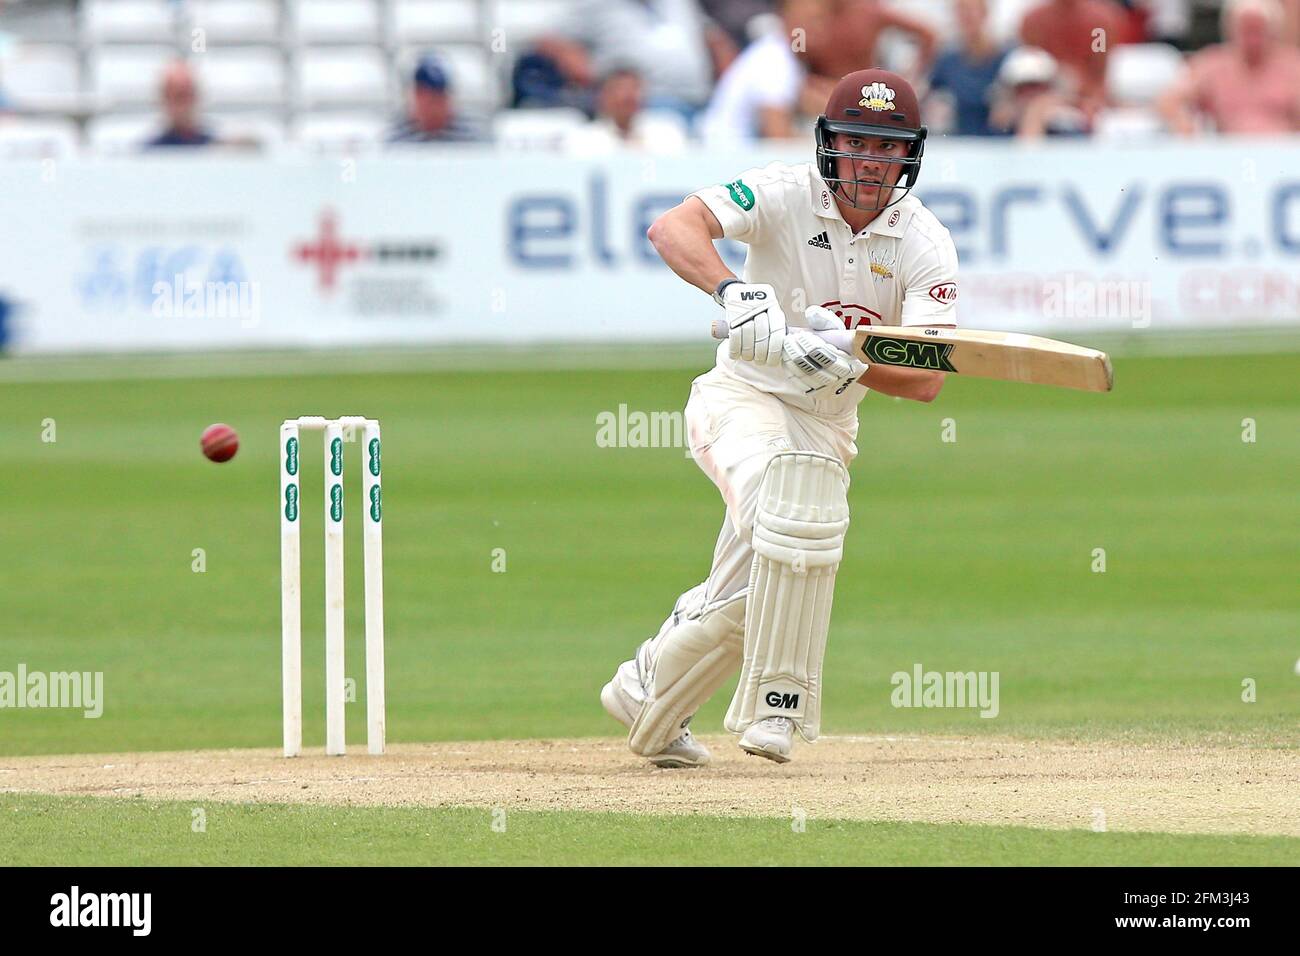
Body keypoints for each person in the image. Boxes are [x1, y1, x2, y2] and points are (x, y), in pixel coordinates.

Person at [601, 69, 957, 767]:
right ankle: (777, 708)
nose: (868, 162)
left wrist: (853, 358)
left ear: (909, 155)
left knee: (750, 592)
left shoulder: (924, 241)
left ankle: (650, 687)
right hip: (741, 399)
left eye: (886, 148)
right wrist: (734, 292)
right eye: (856, 143)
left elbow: (925, 380)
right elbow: (673, 227)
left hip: (826, 428)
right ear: (829, 145)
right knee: (793, 526)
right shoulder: (782, 192)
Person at [534, 0, 736, 120]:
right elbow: (549, 39)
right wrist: (593, 74)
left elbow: (712, 37)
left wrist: (731, 88)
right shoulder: (595, 5)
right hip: (646, 104)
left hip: (705, 101)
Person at [699, 0, 836, 143]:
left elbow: (812, 100)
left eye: (821, 19)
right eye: (809, 20)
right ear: (784, 18)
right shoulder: (775, 61)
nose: (818, 28)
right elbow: (778, 139)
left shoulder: (785, 54)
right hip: (723, 156)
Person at [1157, 0, 1300, 135]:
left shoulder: (1293, 66)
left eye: (1258, 30)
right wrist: (1183, 123)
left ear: (1273, 31)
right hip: (1229, 151)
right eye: (1246, 30)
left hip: (1282, 150)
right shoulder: (1212, 65)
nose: (1252, 39)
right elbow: (1168, 102)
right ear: (1230, 29)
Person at [1020, 0, 1133, 120]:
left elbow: (1099, 73)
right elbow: (1034, 69)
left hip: (1087, 97)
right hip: (1046, 95)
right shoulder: (1034, 20)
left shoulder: (1101, 21)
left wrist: (1089, 98)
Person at [927, 0, 1011, 136]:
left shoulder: (1008, 57)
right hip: (960, 140)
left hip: (1001, 141)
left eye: (972, 11)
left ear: (985, 13)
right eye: (961, 11)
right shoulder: (947, 60)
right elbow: (931, 96)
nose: (967, 16)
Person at [807, 0, 938, 84]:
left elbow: (928, 35)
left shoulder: (868, 11)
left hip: (866, 97)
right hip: (820, 102)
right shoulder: (806, 14)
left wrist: (908, 80)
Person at [563, 66, 688, 153]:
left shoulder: (667, 134)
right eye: (619, 89)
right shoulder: (584, 139)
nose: (629, 95)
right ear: (602, 97)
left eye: (635, 88)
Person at [987, 46, 1088, 138]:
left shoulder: (1066, 128)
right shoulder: (1001, 129)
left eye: (1037, 88)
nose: (1030, 96)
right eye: (1023, 89)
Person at [388, 56, 483, 143]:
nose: (431, 104)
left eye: (437, 96)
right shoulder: (395, 139)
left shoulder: (472, 137)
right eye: (423, 94)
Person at [143, 61, 215, 148]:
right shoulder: (149, 153)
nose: (185, 104)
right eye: (178, 96)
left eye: (189, 94)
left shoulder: (215, 147)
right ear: (164, 100)